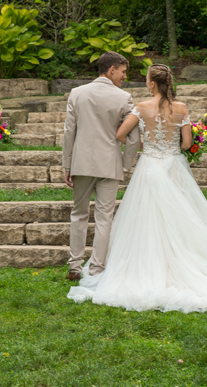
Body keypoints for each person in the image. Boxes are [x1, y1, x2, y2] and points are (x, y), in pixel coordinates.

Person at [67, 64, 207, 313]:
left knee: (147, 217)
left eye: (146, 79)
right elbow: (186, 143)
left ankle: (146, 265)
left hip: (150, 165)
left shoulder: (141, 107)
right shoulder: (181, 108)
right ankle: (182, 264)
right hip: (173, 165)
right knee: (180, 214)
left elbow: (120, 134)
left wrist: (144, 143)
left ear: (152, 83)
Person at [62, 52, 140, 282]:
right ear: (112, 69)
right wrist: (125, 165)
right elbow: (133, 137)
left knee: (78, 214)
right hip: (110, 164)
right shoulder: (124, 97)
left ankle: (75, 266)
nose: (125, 77)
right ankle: (97, 267)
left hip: (81, 163)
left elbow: (69, 131)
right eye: (123, 71)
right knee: (105, 217)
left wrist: (67, 164)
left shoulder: (77, 93)